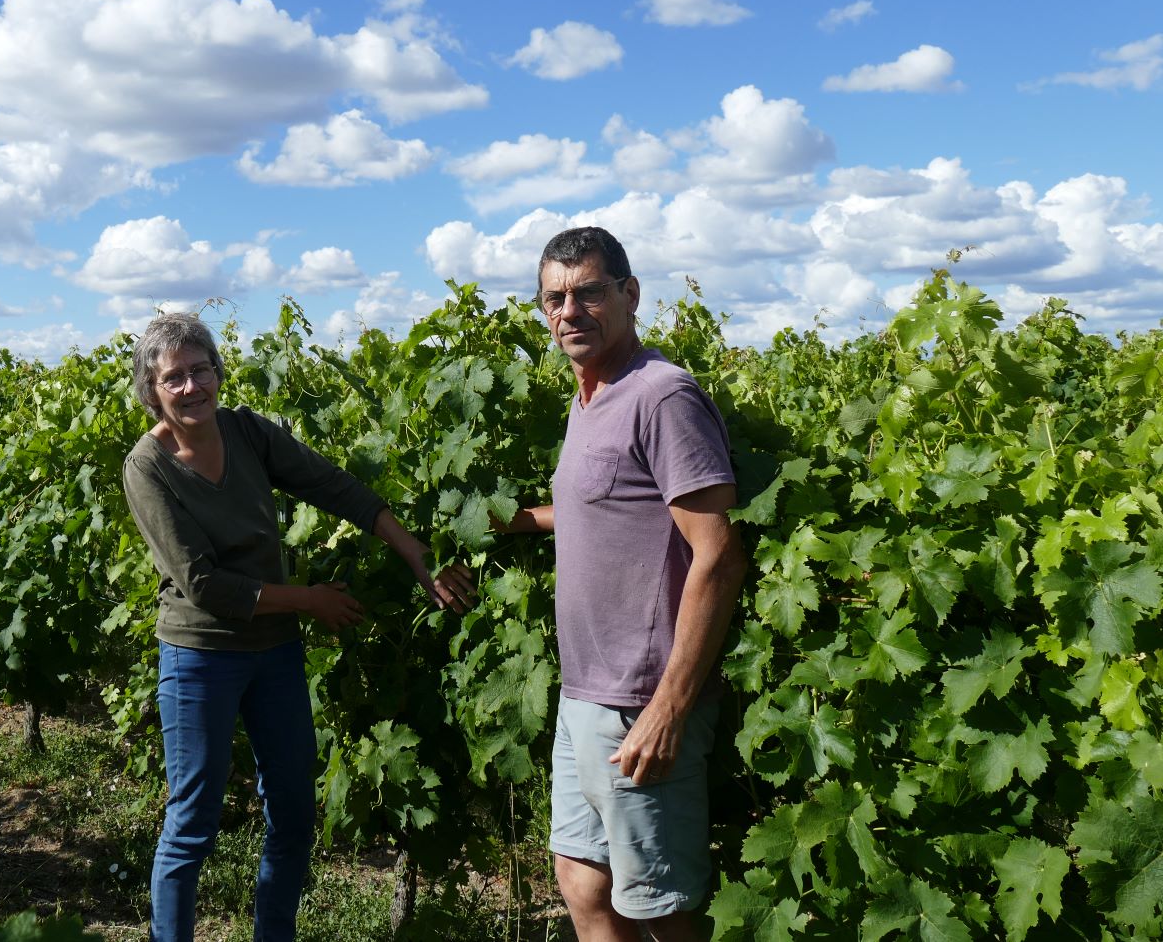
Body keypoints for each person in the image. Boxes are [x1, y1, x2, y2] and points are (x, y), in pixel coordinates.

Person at [122, 311, 475, 942]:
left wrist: (417, 556)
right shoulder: (147, 466)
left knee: (291, 809)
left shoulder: (247, 434)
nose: (192, 386)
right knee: (193, 819)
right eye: (174, 377)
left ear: (217, 374)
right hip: (201, 654)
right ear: (153, 390)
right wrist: (310, 600)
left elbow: (336, 488)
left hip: (275, 651)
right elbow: (204, 585)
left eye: (201, 370)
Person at [499, 227, 745, 942]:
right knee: (581, 880)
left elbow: (718, 554)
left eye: (588, 293)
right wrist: (514, 521)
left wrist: (668, 708)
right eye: (554, 298)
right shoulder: (590, 397)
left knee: (660, 907)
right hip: (585, 692)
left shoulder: (661, 395)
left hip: (641, 699)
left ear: (630, 295)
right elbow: (607, 505)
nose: (569, 311)